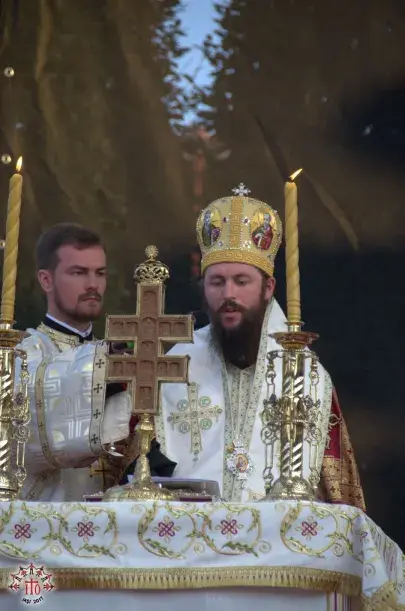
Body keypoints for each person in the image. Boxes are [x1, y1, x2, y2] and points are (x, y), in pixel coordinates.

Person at [151, 188, 365, 508]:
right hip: (189, 529)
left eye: (241, 281)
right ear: (203, 288)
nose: (229, 294)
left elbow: (339, 491)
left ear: (268, 288)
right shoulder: (176, 363)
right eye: (217, 282)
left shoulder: (307, 376)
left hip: (280, 532)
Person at [14, 223, 131, 502]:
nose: (93, 285)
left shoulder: (117, 358)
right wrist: (98, 377)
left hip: (112, 520)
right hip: (43, 517)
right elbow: (21, 432)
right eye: (78, 272)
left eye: (100, 273)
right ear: (46, 280)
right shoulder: (22, 355)